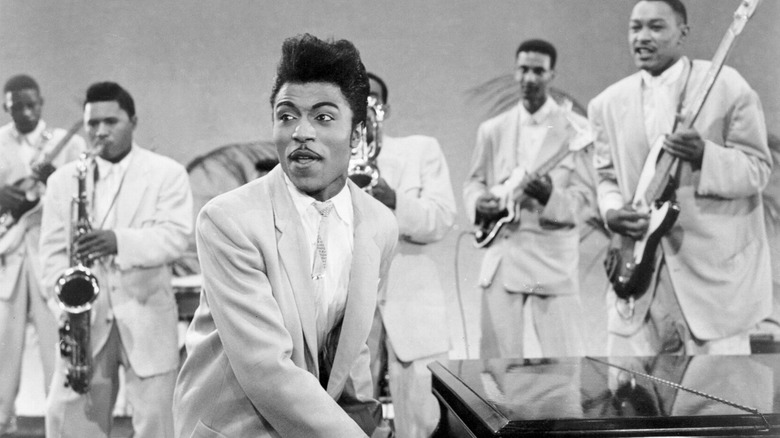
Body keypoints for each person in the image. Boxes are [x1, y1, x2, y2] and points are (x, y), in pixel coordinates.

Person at [173, 34, 398, 438]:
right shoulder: (228, 220)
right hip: (235, 427)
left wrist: (367, 418)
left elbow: (351, 345)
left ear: (357, 134)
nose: (301, 133)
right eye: (287, 115)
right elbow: (265, 370)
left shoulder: (380, 224)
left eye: (323, 117)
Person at [589, 0, 772, 356]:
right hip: (639, 284)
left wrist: (705, 155)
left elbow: (758, 169)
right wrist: (611, 210)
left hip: (714, 292)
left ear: (682, 33)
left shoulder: (728, 85)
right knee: (632, 404)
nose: (642, 37)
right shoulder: (607, 104)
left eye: (656, 27)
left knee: (717, 407)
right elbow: (605, 176)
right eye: (635, 27)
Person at [40, 81, 193, 437]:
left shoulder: (167, 173)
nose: (100, 131)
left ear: (133, 121)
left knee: (158, 425)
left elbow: (174, 238)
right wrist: (64, 310)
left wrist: (117, 242)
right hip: (85, 324)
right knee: (69, 424)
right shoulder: (63, 181)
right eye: (92, 123)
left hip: (146, 316)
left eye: (111, 121)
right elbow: (49, 254)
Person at [463, 39, 593, 359]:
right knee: (496, 371)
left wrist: (551, 197)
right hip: (502, 256)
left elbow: (587, 200)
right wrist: (480, 202)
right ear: (514, 71)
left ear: (552, 75)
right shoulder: (493, 129)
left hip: (551, 265)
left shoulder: (577, 130)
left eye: (538, 71)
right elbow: (475, 182)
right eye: (523, 69)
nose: (529, 78)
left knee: (564, 368)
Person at [363, 72, 456, 437]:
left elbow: (442, 217)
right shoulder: (327, 161)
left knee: (422, 421)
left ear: (385, 108)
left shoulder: (421, 150)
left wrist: (396, 202)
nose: (366, 105)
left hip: (412, 303)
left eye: (373, 99)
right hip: (352, 308)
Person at [0, 74, 86, 435]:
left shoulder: (69, 145)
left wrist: (57, 178)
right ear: (5, 107)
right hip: (8, 258)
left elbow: (86, 190)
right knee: (4, 346)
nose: (25, 111)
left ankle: (61, 424)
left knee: (58, 345)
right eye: (15, 105)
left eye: (31, 104)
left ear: (42, 102)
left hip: (51, 260)